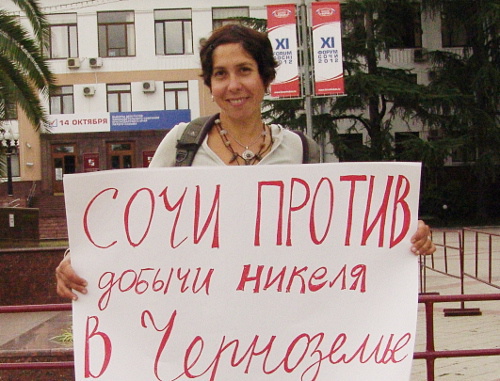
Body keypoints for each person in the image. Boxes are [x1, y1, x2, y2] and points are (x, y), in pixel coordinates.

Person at [56, 24, 436, 300]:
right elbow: (136, 222)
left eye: (244, 70)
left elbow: (339, 230)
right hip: (197, 312)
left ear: (265, 77)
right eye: (220, 74)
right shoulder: (181, 145)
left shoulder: (303, 150)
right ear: (209, 84)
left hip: (277, 320)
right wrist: (79, 258)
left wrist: (402, 231)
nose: (232, 85)